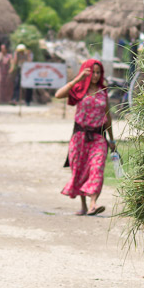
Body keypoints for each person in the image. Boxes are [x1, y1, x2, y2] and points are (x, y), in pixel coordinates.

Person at [55, 58, 115, 216]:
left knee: (97, 169)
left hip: (98, 138)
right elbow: (58, 94)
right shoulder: (79, 89)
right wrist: (78, 79)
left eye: (98, 72)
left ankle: (93, 203)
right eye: (92, 72)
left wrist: (112, 139)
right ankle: (83, 206)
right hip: (79, 137)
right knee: (80, 171)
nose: (95, 75)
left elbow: (107, 117)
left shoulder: (103, 91)